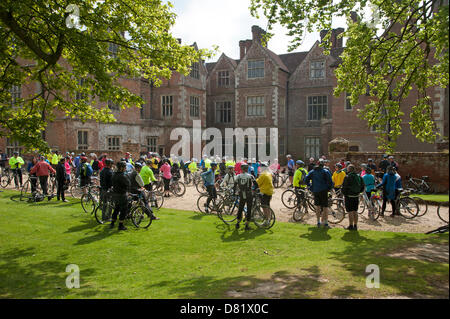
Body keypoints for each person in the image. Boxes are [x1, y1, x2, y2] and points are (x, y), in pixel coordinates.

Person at [304, 159, 333, 228]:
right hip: (323, 191)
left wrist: (310, 187)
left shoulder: (312, 171)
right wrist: (328, 189)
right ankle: (325, 223)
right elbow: (330, 182)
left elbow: (306, 180)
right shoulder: (325, 171)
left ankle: (318, 222)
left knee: (317, 207)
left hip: (316, 191)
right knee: (325, 207)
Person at [342, 164, 365, 231]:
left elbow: (344, 187)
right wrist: (359, 192)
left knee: (350, 211)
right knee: (355, 211)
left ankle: (350, 225)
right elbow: (363, 186)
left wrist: (345, 194)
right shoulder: (359, 176)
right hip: (356, 196)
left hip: (349, 196)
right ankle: (355, 225)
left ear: (349, 169)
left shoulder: (347, 177)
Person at [110, 161, 131, 231]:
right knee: (123, 210)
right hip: (122, 194)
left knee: (116, 208)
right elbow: (128, 184)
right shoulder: (123, 176)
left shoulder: (114, 174)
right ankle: (121, 225)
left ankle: (112, 223)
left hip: (115, 194)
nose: (125, 168)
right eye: (124, 167)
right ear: (122, 168)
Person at [235, 163, 255, 230]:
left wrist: (235, 192)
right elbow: (256, 184)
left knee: (240, 208)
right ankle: (246, 225)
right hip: (249, 194)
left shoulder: (238, 176)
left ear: (241, 169)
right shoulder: (250, 176)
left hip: (241, 194)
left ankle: (237, 223)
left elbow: (235, 185)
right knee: (249, 209)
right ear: (246, 169)